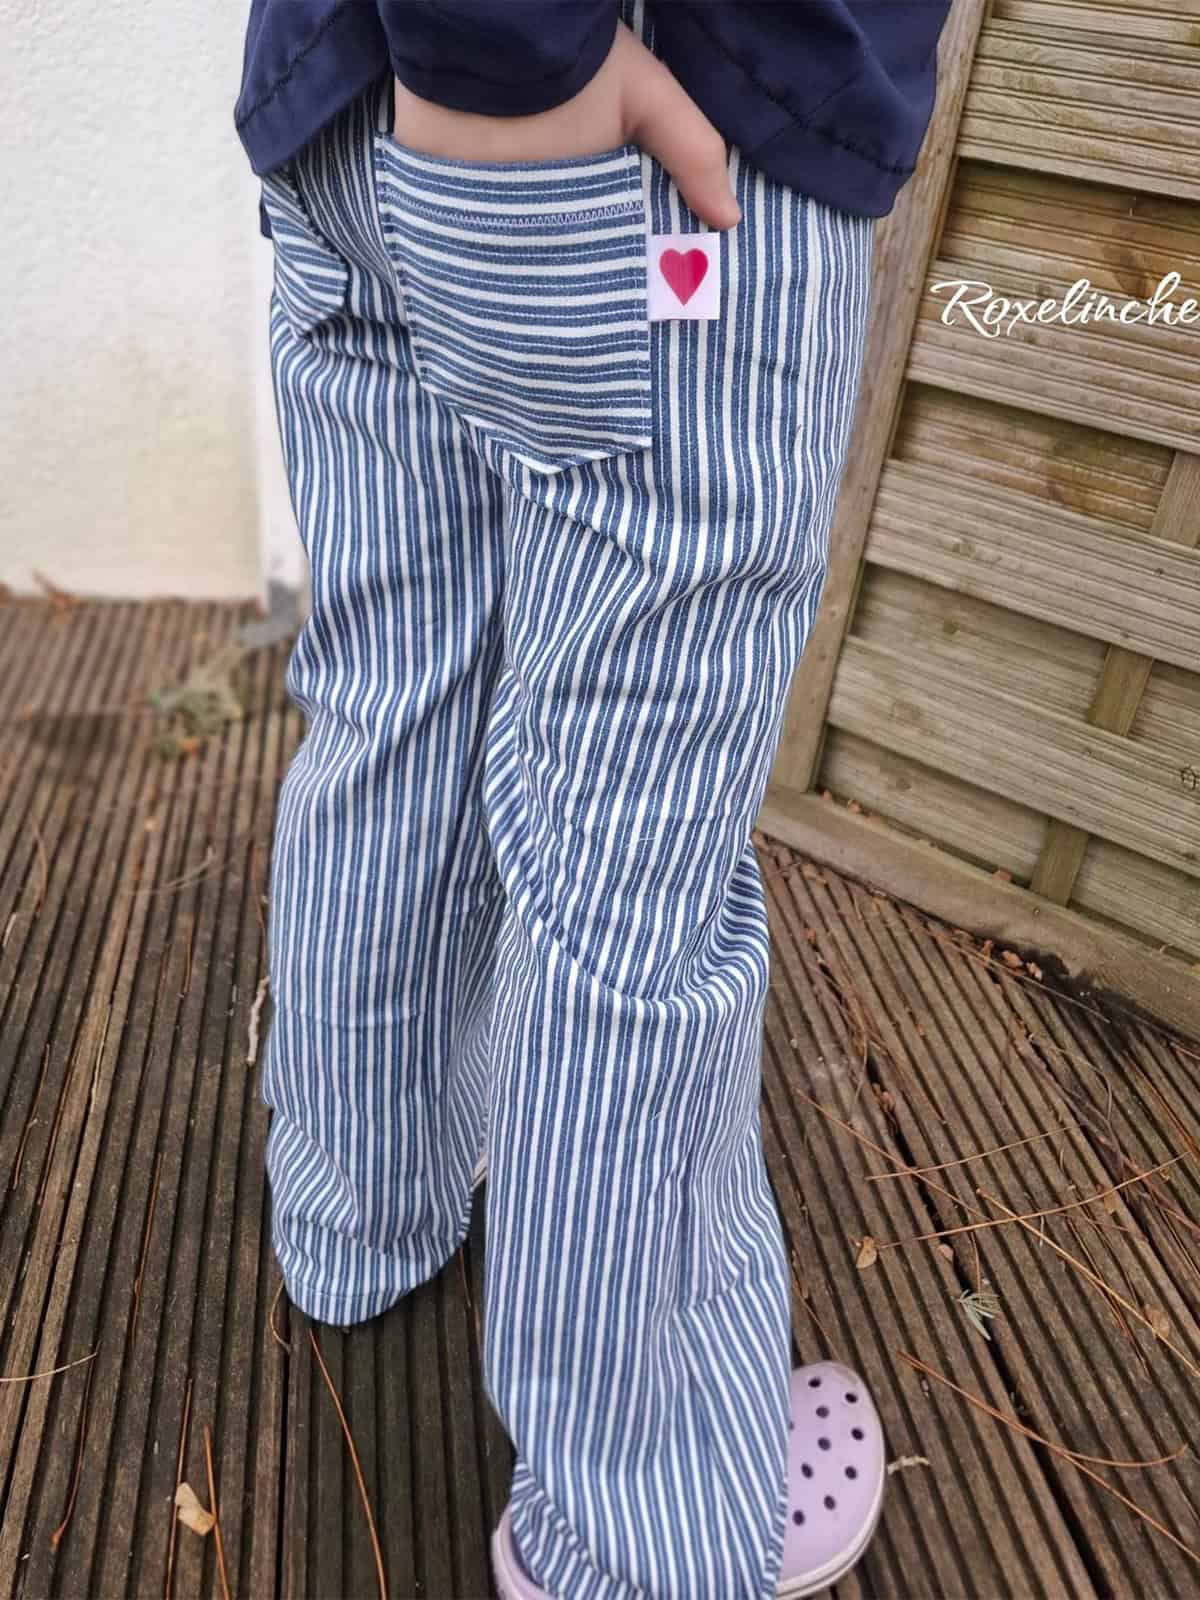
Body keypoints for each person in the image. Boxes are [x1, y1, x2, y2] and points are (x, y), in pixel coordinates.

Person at [235, 3, 951, 1595]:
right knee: (629, 849)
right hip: (656, 113)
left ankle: (360, 1210)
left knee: (395, 704)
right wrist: (513, 55)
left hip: (350, 98)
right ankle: (645, 1531)